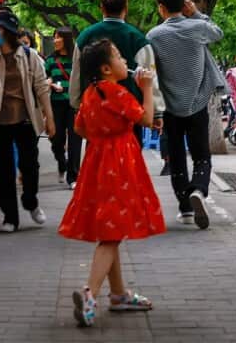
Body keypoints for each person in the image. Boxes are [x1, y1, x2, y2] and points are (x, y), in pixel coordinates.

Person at [59, 38, 166, 328]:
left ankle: (118, 294)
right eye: (119, 56)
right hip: (121, 165)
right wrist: (146, 89)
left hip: (96, 162)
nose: (124, 61)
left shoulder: (92, 93)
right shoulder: (117, 93)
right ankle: (91, 294)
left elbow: (80, 126)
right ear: (107, 68)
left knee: (111, 228)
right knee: (111, 233)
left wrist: (101, 137)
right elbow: (145, 119)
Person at [147, 0, 224, 228]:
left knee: (177, 157)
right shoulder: (198, 28)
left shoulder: (154, 36)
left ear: (161, 8)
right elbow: (218, 33)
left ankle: (185, 209)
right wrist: (197, 15)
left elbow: (153, 72)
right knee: (202, 155)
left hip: (170, 107)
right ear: (185, 5)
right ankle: (199, 190)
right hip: (198, 103)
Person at [0, 10, 56, 232]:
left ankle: (31, 202)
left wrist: (50, 119)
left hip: (25, 120)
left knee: (30, 166)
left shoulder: (30, 57)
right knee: (3, 170)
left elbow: (41, 88)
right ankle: (10, 217)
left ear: (9, 32)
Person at [69, 0, 164, 144]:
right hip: (131, 114)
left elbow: (76, 74)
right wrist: (156, 112)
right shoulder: (137, 38)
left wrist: (78, 104)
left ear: (101, 8)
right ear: (126, 7)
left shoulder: (85, 37)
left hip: (96, 111)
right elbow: (150, 77)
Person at [46, 26, 81, 188]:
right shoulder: (51, 60)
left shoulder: (76, 58)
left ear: (66, 39)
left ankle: (73, 176)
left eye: (58, 37)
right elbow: (44, 78)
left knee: (75, 139)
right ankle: (62, 162)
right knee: (55, 138)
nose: (55, 40)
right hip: (56, 103)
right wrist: (51, 83)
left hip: (73, 103)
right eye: (54, 37)